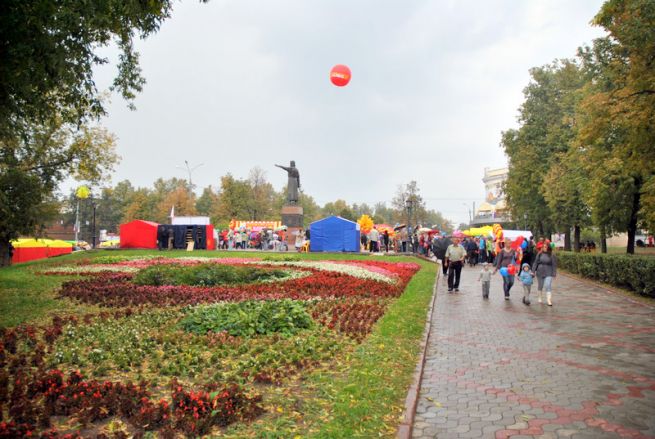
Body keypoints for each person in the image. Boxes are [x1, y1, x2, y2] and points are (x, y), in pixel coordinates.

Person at [533, 241, 557, 306]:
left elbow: (554, 265)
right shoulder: (539, 254)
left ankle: (549, 300)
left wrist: (554, 273)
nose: (544, 248)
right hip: (540, 271)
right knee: (540, 285)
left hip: (549, 271)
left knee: (547, 285)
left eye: (545, 247)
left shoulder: (552, 254)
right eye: (543, 247)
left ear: (548, 247)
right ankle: (540, 297)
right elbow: (535, 262)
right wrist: (533, 271)